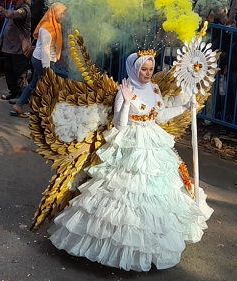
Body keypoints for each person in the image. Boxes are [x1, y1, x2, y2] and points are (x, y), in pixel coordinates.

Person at [48, 50, 212, 271]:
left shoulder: (154, 88)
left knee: (155, 193)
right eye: (143, 69)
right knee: (122, 194)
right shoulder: (125, 89)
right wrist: (125, 102)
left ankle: (150, 247)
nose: (147, 73)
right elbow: (120, 124)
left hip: (152, 140)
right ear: (134, 69)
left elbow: (160, 115)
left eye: (150, 69)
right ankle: (115, 248)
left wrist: (185, 107)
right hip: (130, 142)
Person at [11, 3, 65, 117]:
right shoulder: (47, 28)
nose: (63, 16)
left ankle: (19, 105)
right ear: (55, 13)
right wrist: (47, 69)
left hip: (43, 59)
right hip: (43, 60)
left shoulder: (55, 25)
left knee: (35, 83)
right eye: (62, 13)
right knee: (47, 85)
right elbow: (45, 51)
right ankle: (44, 111)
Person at [0, 0, 31, 100]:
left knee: (20, 72)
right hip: (9, 46)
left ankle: (22, 97)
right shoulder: (14, 7)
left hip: (19, 48)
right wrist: (1, 40)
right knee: (9, 70)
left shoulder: (24, 10)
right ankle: (13, 92)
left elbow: (10, 15)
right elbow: (8, 25)